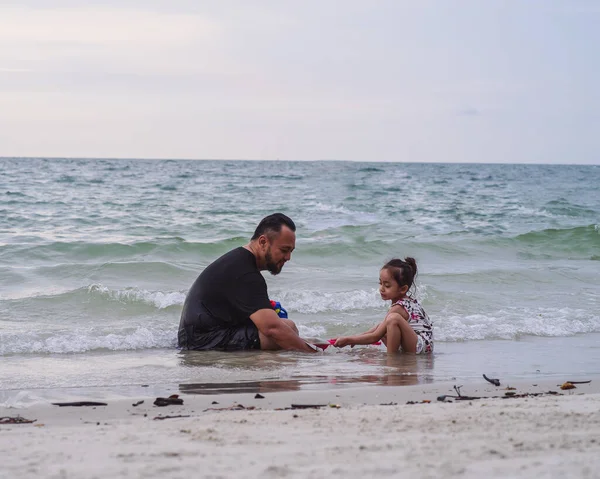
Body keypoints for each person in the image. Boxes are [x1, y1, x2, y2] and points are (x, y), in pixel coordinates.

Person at [178, 213, 316, 352]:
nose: (288, 257)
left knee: (287, 329)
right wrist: (314, 357)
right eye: (284, 250)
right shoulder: (246, 274)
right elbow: (272, 329)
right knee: (285, 330)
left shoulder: (240, 261)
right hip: (201, 341)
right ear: (263, 242)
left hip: (197, 336)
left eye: (291, 251)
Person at [334, 257, 433, 354]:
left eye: (387, 285)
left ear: (403, 289)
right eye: (380, 283)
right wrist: (356, 339)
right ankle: (396, 355)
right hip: (416, 344)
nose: (381, 288)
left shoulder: (398, 307)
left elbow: (375, 337)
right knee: (382, 326)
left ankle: (391, 358)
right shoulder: (406, 301)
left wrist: (348, 340)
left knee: (393, 319)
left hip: (421, 346)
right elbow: (377, 332)